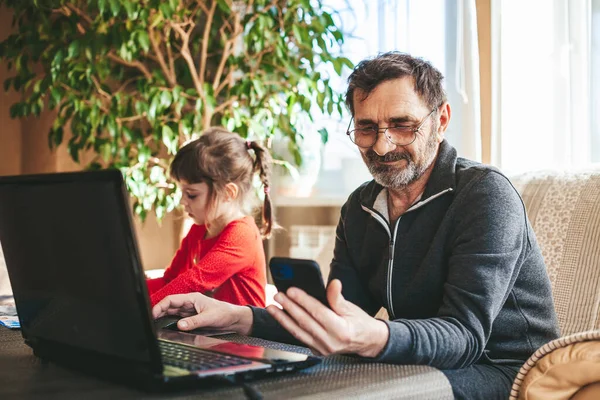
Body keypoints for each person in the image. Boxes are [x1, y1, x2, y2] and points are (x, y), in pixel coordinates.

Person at [152, 52, 560, 399]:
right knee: (266, 385)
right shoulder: (361, 207)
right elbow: (336, 316)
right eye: (366, 128)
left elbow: (464, 337)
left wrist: (375, 337)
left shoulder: (484, 196)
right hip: (421, 359)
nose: (382, 146)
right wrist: (236, 316)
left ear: (442, 120)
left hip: (506, 370)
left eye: (403, 124)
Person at [146, 127, 273, 308]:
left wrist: (138, 311)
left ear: (228, 193)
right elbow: (170, 280)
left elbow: (193, 281)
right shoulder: (200, 229)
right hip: (211, 333)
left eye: (191, 195)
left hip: (241, 336)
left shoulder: (242, 235)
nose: (183, 201)